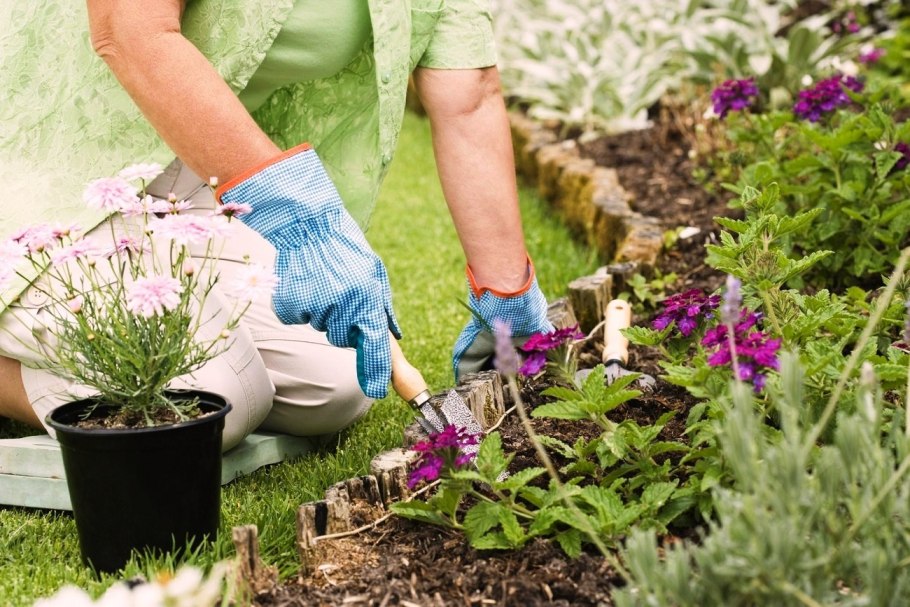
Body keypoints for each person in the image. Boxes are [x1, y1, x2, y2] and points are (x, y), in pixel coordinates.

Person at [0, 0, 552, 450]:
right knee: (214, 402)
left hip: (186, 176)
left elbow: (470, 94)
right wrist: (294, 212)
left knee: (337, 385)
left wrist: (508, 298)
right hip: (38, 168)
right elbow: (128, 27)